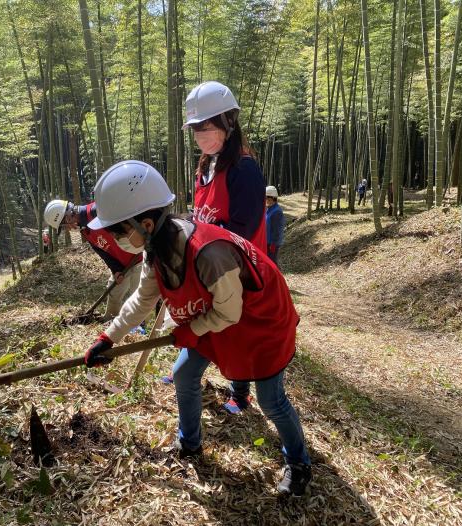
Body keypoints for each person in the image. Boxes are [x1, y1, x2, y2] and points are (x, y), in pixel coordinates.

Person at [83, 160, 312, 496]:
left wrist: (190, 331)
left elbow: (230, 312)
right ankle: (189, 444)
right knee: (185, 374)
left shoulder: (208, 254)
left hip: (261, 321)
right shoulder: (156, 251)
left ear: (146, 223)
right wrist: (107, 338)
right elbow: (141, 302)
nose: (117, 239)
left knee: (271, 399)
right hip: (217, 318)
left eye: (119, 231)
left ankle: (299, 463)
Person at [167, 80, 265, 414]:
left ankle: (241, 395)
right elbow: (202, 214)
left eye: (203, 127)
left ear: (228, 122)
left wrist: (205, 236)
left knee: (239, 329)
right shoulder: (205, 167)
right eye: (194, 129)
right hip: (211, 260)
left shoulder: (244, 168)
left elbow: (244, 229)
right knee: (205, 318)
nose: (198, 135)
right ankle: (186, 373)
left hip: (240, 264)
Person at [43, 199, 142, 319]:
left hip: (139, 257)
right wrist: (116, 270)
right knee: (114, 291)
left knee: (139, 295)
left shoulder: (99, 211)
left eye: (64, 226)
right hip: (122, 264)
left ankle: (142, 326)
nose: (67, 229)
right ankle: (109, 319)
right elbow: (102, 250)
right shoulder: (84, 230)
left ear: (68, 218)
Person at [265, 186, 285, 263]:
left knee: (272, 263)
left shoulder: (277, 212)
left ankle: (276, 275)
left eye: (266, 198)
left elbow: (277, 231)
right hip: (267, 242)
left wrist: (273, 244)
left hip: (271, 244)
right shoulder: (269, 209)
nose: (265, 200)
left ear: (272, 198)